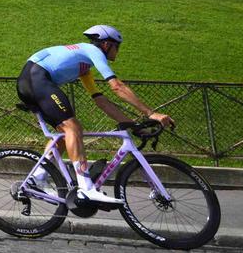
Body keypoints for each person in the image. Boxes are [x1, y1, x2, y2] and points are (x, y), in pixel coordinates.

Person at [18, 25, 174, 205]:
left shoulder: (84, 66)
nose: (118, 51)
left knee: (65, 133)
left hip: (32, 80)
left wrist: (132, 124)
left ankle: (37, 177)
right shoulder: (93, 51)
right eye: (117, 46)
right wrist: (151, 113)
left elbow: (100, 100)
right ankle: (86, 188)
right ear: (107, 44)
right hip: (36, 79)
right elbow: (116, 87)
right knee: (73, 127)